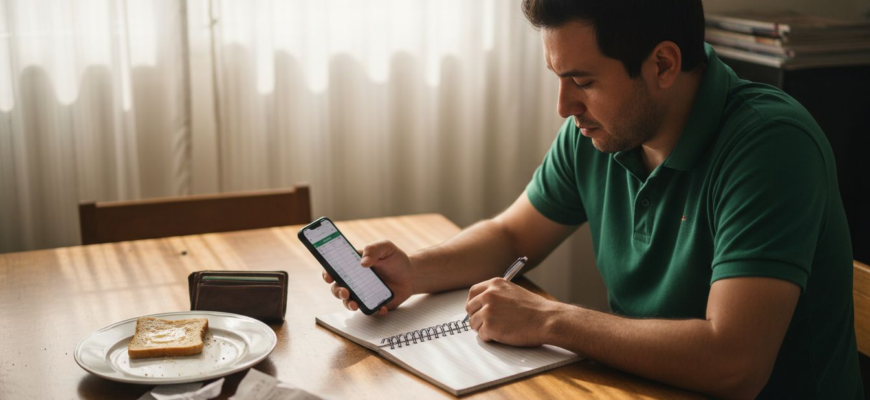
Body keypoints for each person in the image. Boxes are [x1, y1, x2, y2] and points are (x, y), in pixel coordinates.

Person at [322, 0, 863, 398]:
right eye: (559, 77)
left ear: (663, 64)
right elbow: (512, 235)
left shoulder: (771, 146)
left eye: (582, 80)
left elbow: (734, 364)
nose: (563, 106)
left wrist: (550, 319)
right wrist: (414, 271)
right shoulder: (600, 131)